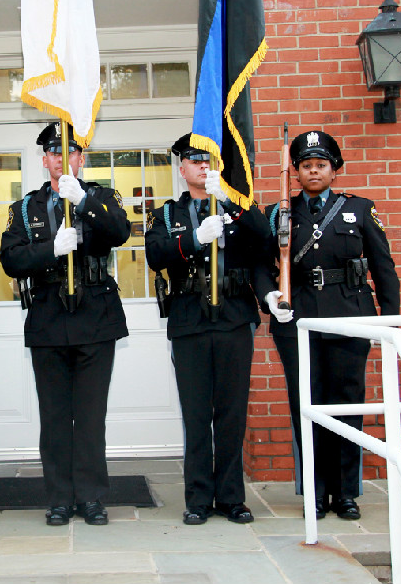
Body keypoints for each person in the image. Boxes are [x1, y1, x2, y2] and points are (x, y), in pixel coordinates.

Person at [264, 130, 400, 521]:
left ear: (335, 170)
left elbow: (383, 268)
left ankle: (345, 492)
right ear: (295, 172)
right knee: (306, 405)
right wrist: (270, 298)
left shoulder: (360, 209)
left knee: (347, 403)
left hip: (350, 315)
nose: (313, 172)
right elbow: (260, 263)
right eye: (305, 166)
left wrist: (390, 322)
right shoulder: (280, 213)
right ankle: (315, 491)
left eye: (321, 165)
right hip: (299, 320)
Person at [0, 122, 130, 527]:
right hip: (49, 317)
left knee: (90, 418)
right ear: (45, 161)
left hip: (95, 315)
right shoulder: (25, 208)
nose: (62, 159)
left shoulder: (102, 196)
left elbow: (119, 232)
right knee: (55, 417)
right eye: (55, 153)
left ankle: (91, 497)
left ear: (81, 157)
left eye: (69, 152)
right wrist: (49, 250)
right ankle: (58, 498)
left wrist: (85, 200)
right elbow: (11, 259)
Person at [144, 133, 277, 525]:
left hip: (234, 317)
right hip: (190, 320)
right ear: (182, 169)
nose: (203, 167)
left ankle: (232, 497)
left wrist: (235, 197)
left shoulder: (237, 208)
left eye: (209, 161)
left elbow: (265, 239)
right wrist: (194, 239)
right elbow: (155, 254)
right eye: (195, 161)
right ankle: (199, 497)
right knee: (197, 412)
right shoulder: (168, 215)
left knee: (232, 412)